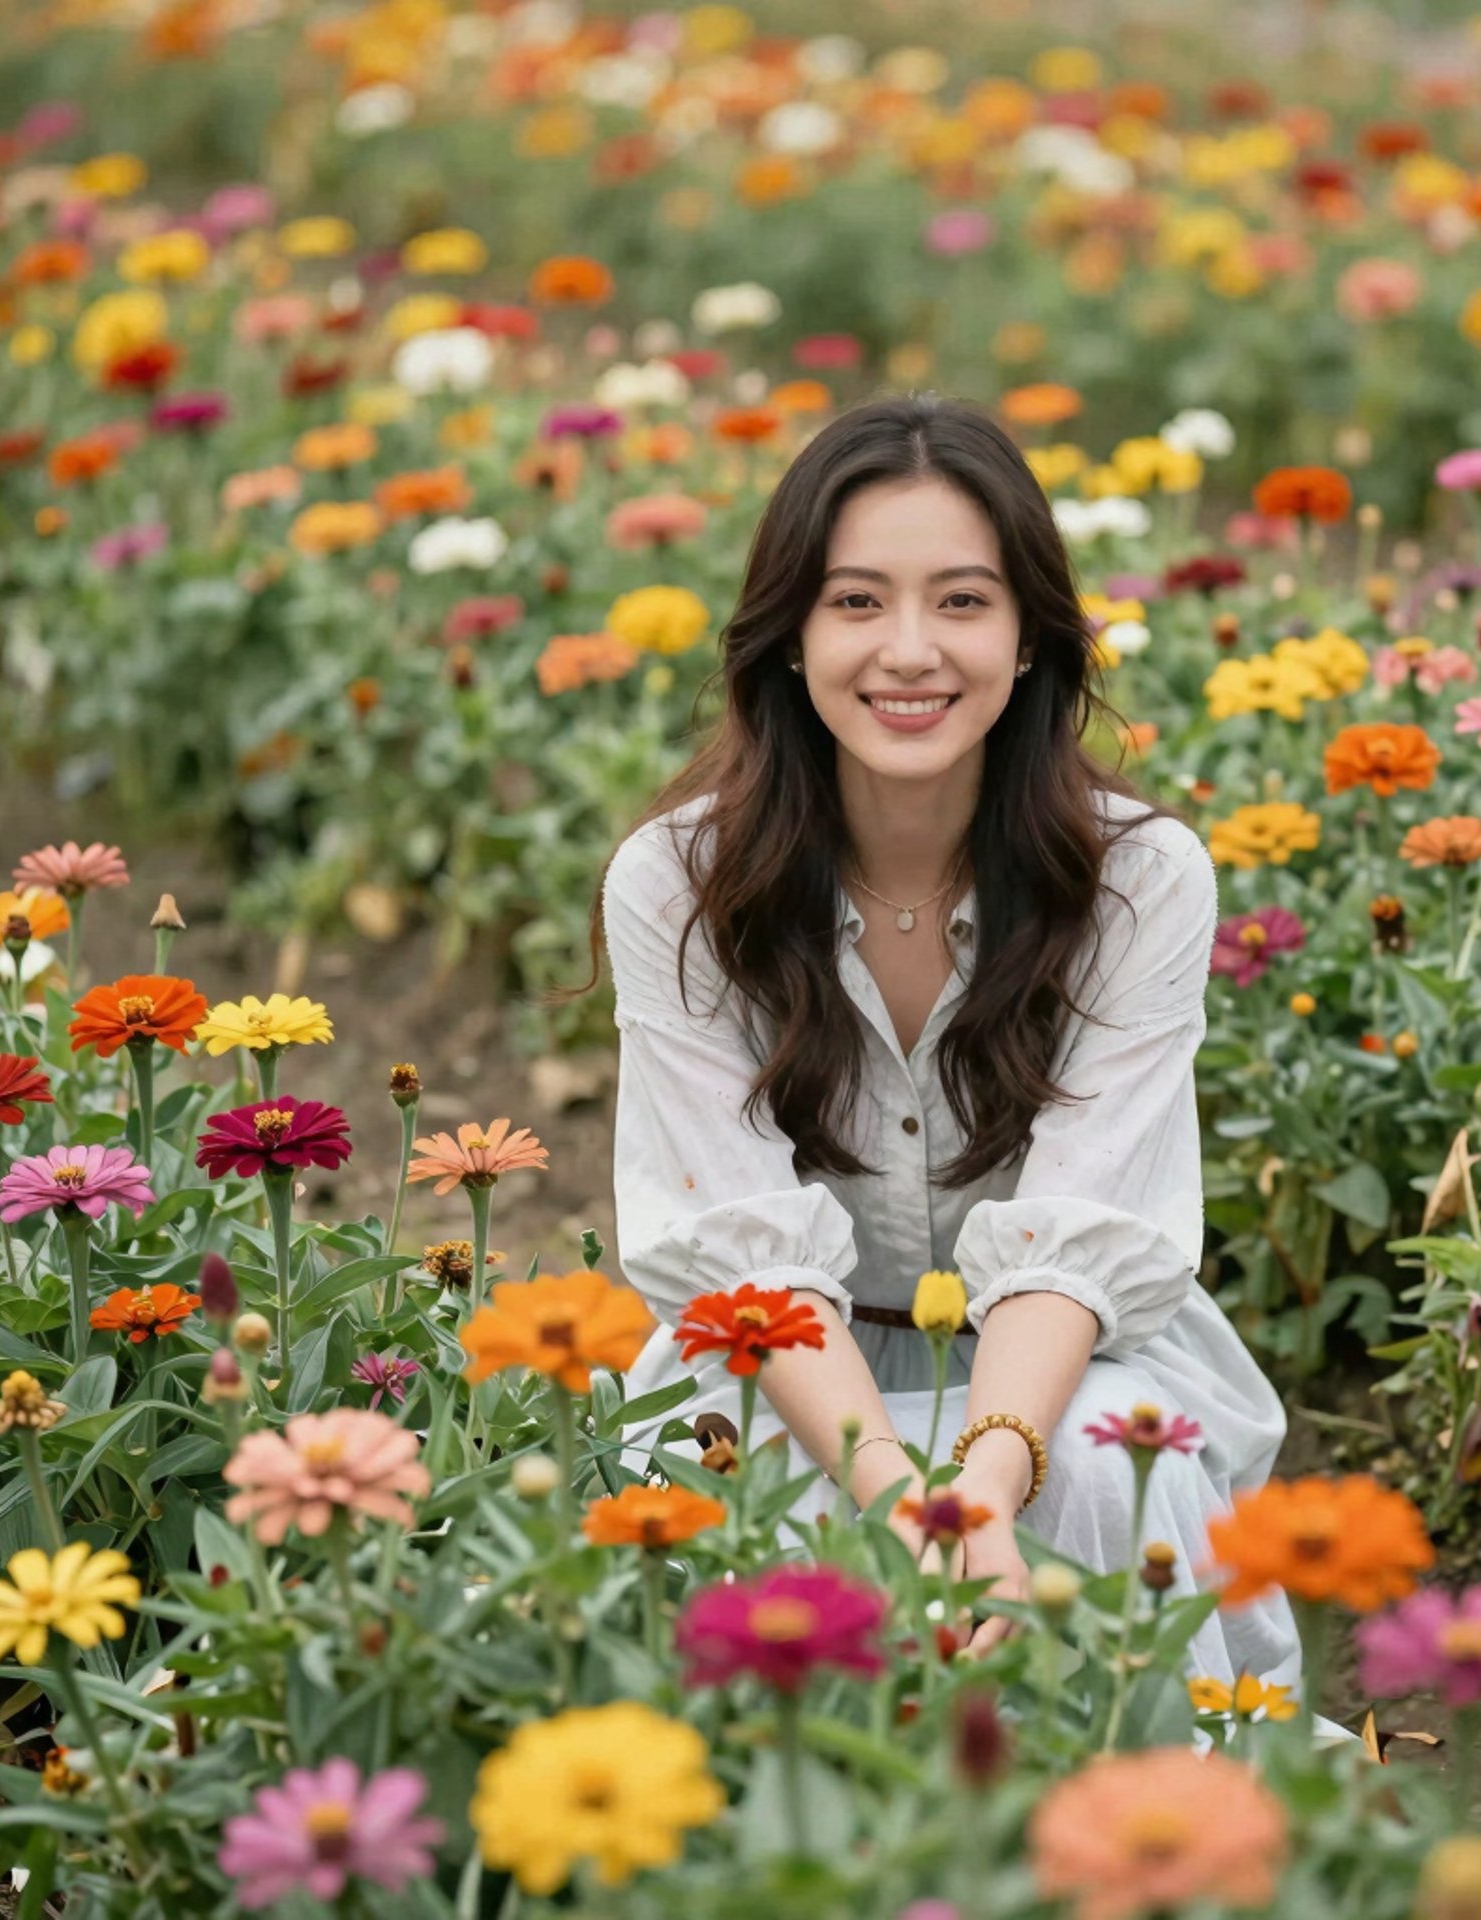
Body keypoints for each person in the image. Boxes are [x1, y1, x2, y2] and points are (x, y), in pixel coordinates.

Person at [569, 391, 1299, 1692]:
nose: (909, 651)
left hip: (1064, 1355)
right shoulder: (678, 885)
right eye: (857, 601)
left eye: (962, 601)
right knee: (754, 1495)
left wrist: (981, 1487)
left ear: (1029, 640)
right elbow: (745, 1253)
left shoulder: (1139, 881)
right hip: (784, 1358)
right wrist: (901, 1497)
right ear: (791, 635)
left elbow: (1078, 1235)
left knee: (1098, 1472)